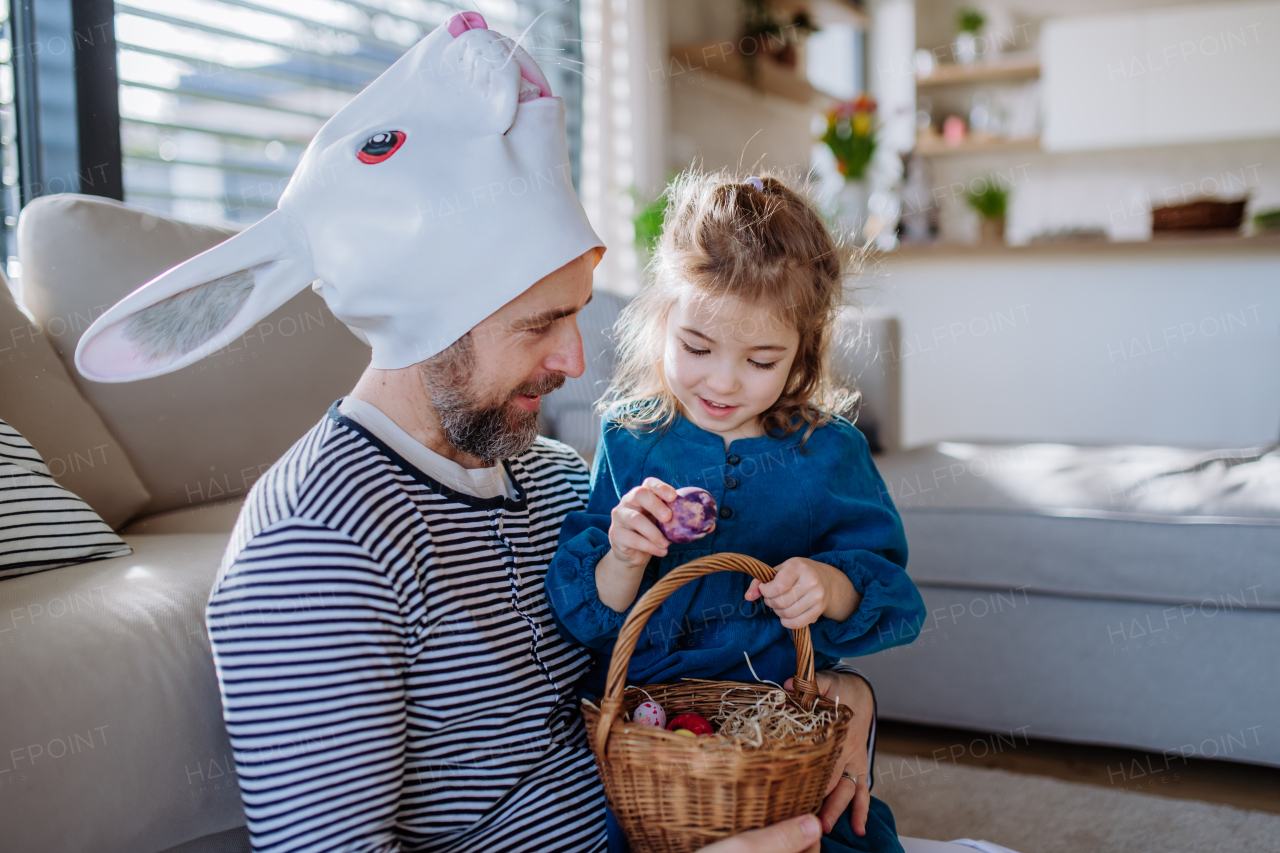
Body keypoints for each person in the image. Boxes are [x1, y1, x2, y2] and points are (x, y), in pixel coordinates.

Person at [75, 15, 881, 850]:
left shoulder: (558, 478)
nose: (574, 358)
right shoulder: (317, 540)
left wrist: (848, 693)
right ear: (430, 323)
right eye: (539, 325)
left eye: (576, 312)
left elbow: (690, 657)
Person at [546, 172, 926, 852]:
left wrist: (827, 585)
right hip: (654, 744)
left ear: (802, 353)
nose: (722, 382)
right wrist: (624, 554)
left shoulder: (825, 450)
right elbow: (588, 614)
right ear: (663, 319)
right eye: (696, 348)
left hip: (778, 729)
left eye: (760, 359)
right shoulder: (630, 439)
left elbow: (888, 588)